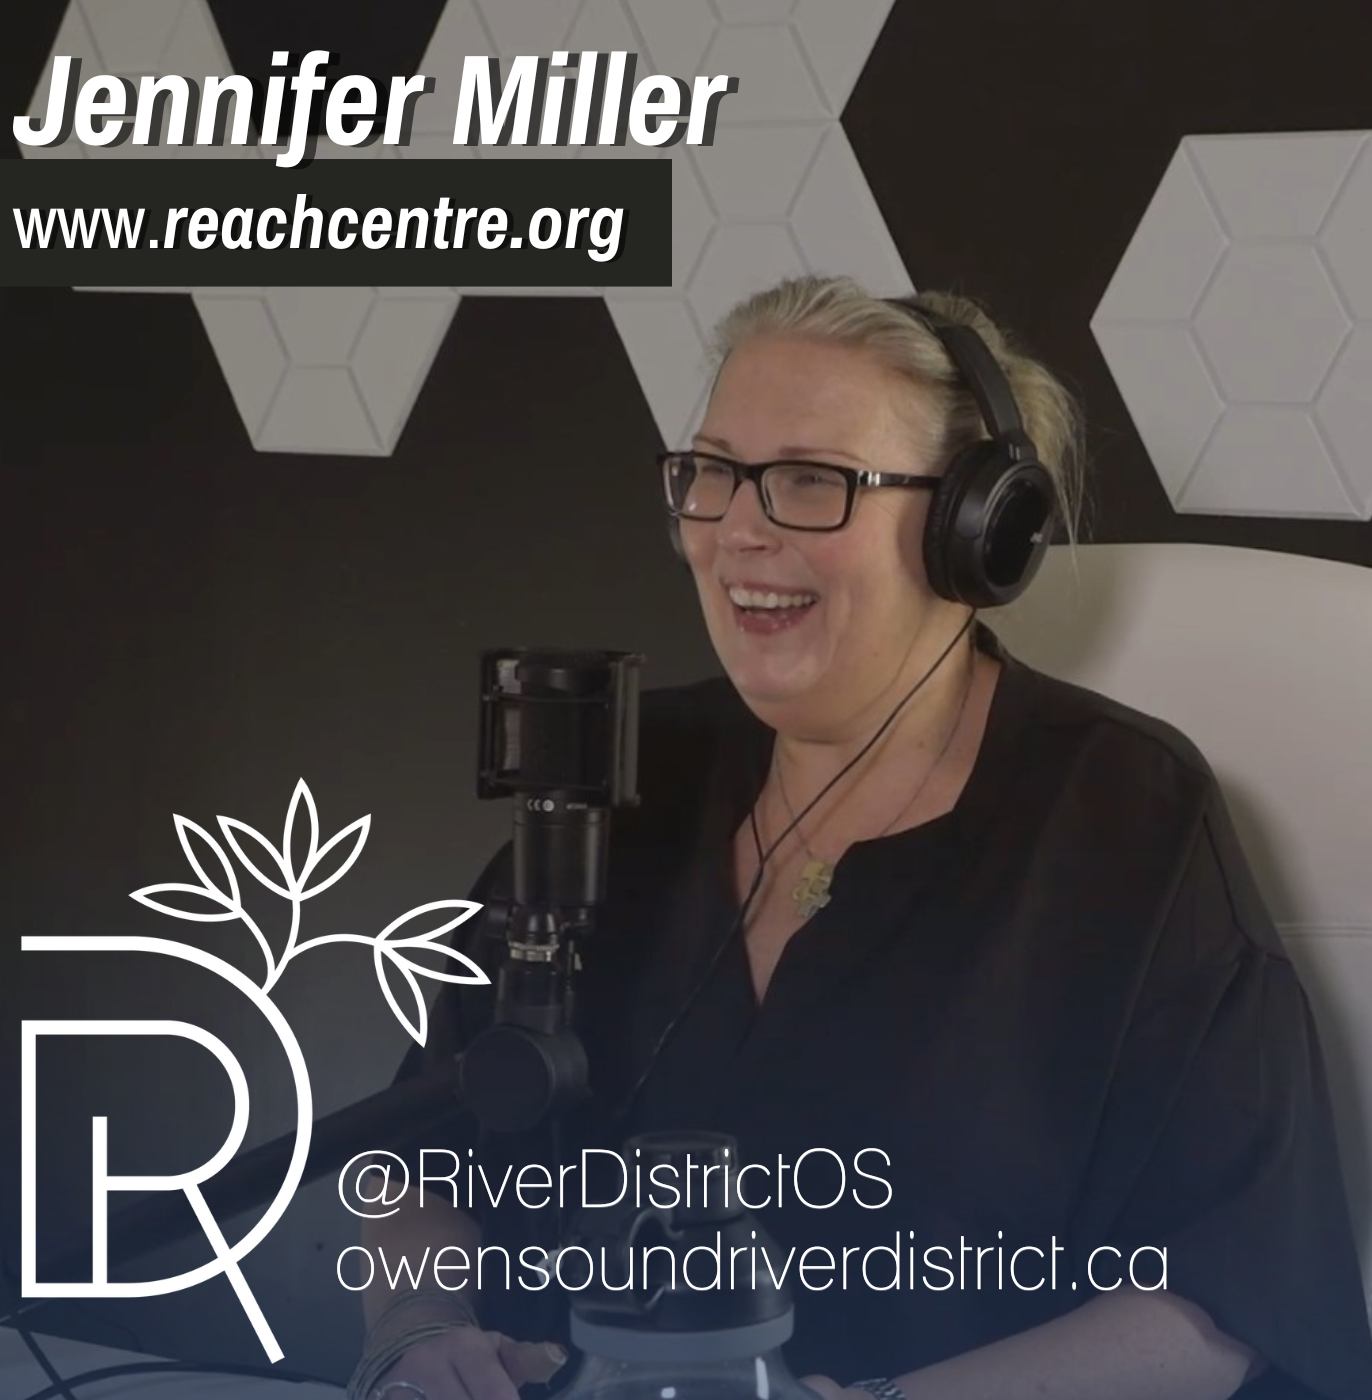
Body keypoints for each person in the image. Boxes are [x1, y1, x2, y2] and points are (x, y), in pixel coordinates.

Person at [351, 276, 1372, 1400]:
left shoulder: (1123, 815)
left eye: (808, 480)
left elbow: (1224, 1294)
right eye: (713, 472)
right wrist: (416, 1328)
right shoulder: (626, 772)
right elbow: (414, 1150)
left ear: (971, 529)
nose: (737, 529)